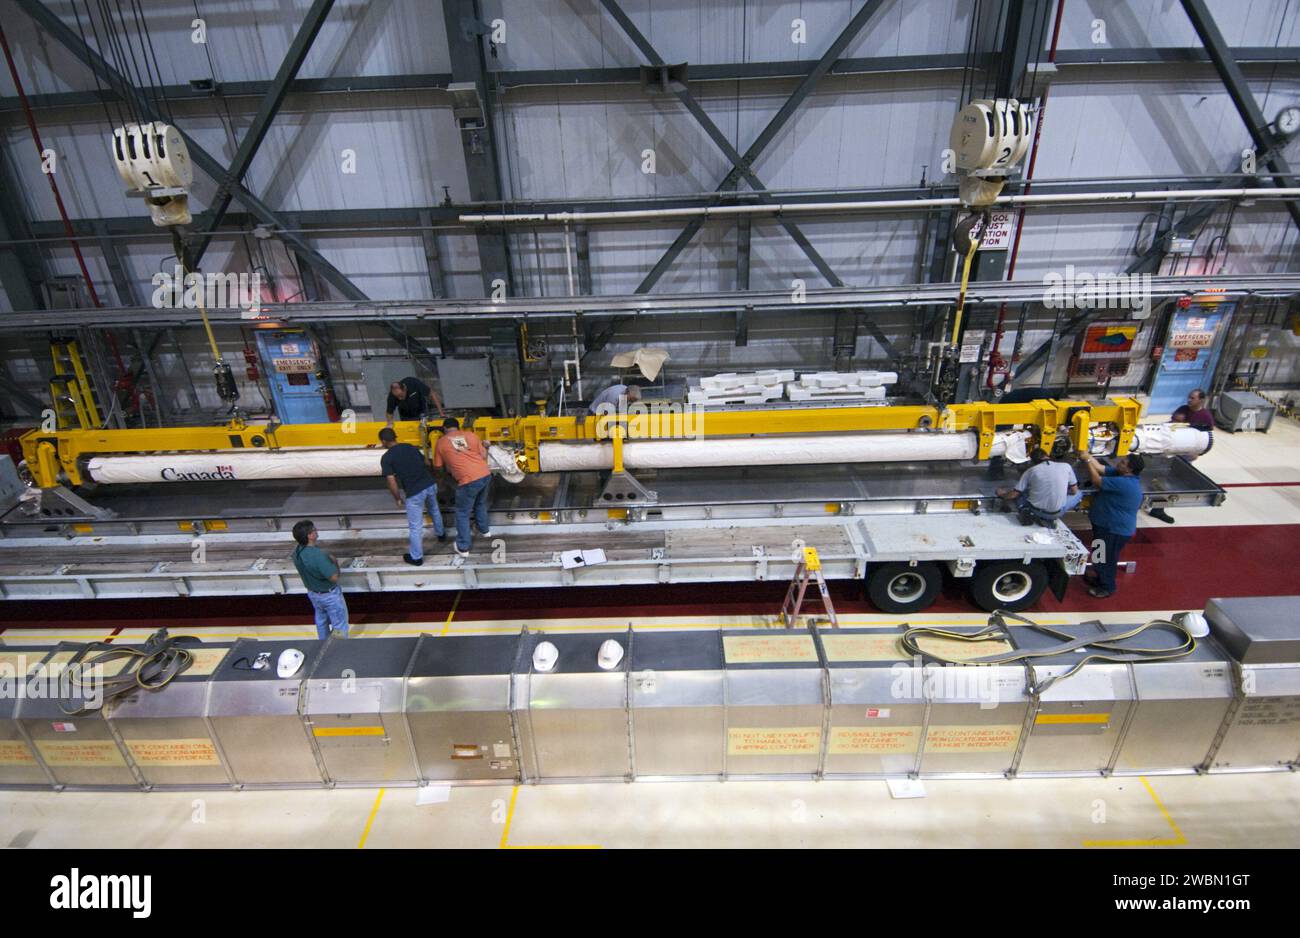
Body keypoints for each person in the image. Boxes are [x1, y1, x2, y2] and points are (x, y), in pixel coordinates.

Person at [1079, 451, 1145, 599]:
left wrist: (1087, 462)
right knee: (1099, 553)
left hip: (1114, 529)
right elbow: (1100, 468)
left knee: (1107, 558)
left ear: (1129, 470)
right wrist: (1086, 454)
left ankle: (1107, 586)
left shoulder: (1124, 483)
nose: (1119, 464)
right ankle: (1100, 577)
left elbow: (1097, 480)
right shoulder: (1120, 474)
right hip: (1104, 525)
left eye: (1123, 463)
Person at [379, 427, 444, 566]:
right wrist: (436, 477)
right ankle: (441, 535)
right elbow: (427, 462)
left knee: (415, 527)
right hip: (430, 484)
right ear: (395, 437)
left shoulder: (386, 458)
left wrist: (397, 498)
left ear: (383, 441)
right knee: (434, 509)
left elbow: (392, 481)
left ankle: (416, 558)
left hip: (415, 492)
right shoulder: (410, 447)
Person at [1150, 388, 1214, 524]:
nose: (1189, 400)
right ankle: (1151, 499)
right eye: (1189, 397)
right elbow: (1171, 425)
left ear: (1201, 400)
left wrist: (1197, 453)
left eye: (1192, 398)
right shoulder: (1183, 409)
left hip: (1185, 455)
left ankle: (1158, 509)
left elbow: (1206, 438)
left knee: (1169, 482)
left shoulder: (1205, 417)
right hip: (1171, 450)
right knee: (1157, 475)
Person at [434, 417, 491, 557]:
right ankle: (485, 531)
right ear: (457, 427)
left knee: (462, 513)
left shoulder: (441, 442)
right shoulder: (470, 435)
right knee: (480, 503)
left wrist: (441, 479)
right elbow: (483, 455)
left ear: (445, 429)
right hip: (485, 474)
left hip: (468, 480)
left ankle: (463, 547)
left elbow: (437, 466)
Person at [291, 520, 349, 639]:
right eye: (314, 530)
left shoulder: (296, 552)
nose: (317, 531)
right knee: (339, 625)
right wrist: (335, 562)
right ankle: (338, 648)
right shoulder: (318, 555)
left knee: (321, 622)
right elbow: (334, 577)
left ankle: (322, 645)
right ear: (310, 536)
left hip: (313, 594)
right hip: (329, 596)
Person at [995, 448, 1081, 526]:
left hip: (1037, 511)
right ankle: (1048, 517)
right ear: (1047, 456)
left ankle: (1024, 508)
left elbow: (1014, 494)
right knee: (1079, 493)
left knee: (1023, 492)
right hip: (1057, 512)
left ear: (1033, 461)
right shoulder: (1066, 466)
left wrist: (1002, 495)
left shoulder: (1031, 471)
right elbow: (1074, 491)